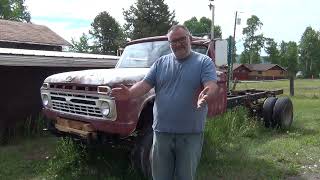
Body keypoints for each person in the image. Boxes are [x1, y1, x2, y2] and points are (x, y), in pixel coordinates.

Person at [111, 25, 218, 180]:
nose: (177, 44)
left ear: (190, 39)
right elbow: (144, 85)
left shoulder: (204, 62)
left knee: (185, 176)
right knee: (160, 176)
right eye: (173, 41)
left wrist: (207, 93)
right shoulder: (160, 63)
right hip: (162, 133)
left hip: (190, 134)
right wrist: (129, 93)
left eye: (182, 39)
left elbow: (211, 85)